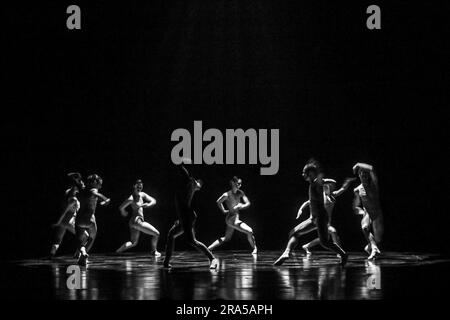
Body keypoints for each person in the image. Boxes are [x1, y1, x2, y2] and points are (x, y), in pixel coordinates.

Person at [274, 160, 348, 266]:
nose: (302, 174)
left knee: (325, 242)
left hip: (321, 218)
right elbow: (330, 181)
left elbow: (332, 181)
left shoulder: (316, 184)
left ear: (310, 174)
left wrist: (321, 178)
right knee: (293, 233)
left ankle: (343, 254)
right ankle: (287, 252)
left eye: (304, 172)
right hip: (313, 218)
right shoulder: (314, 184)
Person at [163, 159, 218, 269]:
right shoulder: (192, 182)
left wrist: (181, 159)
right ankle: (166, 262)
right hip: (185, 215)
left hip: (187, 216)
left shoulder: (186, 179)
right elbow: (198, 186)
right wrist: (199, 183)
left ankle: (213, 259)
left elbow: (180, 167)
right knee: (171, 235)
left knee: (191, 241)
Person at [300, 178, 355, 255]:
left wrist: (348, 182)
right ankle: (340, 252)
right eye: (324, 187)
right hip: (320, 221)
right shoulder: (320, 197)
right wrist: (301, 210)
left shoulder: (333, 195)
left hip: (327, 222)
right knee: (333, 232)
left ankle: (306, 246)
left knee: (325, 238)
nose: (326, 188)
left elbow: (343, 189)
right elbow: (307, 202)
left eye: (327, 187)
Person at [208, 176, 257, 254]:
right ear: (232, 183)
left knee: (227, 238)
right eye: (238, 183)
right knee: (250, 231)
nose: (239, 185)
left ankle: (209, 248)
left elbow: (248, 203)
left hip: (235, 218)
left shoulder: (240, 192)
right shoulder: (227, 194)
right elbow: (218, 202)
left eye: (240, 184)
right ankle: (255, 248)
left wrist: (241, 206)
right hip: (231, 219)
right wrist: (223, 210)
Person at [116, 179, 161, 256]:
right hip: (137, 221)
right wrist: (124, 212)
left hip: (134, 222)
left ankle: (117, 252)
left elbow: (154, 200)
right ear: (134, 186)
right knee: (156, 234)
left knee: (133, 242)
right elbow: (121, 207)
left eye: (140, 186)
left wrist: (148, 205)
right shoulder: (131, 198)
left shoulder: (142, 194)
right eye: (137, 186)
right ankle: (154, 251)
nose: (139, 188)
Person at [75, 174, 110, 266]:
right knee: (91, 237)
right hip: (89, 219)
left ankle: (82, 252)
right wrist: (105, 199)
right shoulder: (93, 189)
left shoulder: (83, 189)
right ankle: (84, 253)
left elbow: (77, 182)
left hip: (79, 218)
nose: (101, 186)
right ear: (95, 182)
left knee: (79, 240)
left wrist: (76, 178)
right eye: (100, 184)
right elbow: (95, 193)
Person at [353, 163, 384, 260]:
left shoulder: (373, 184)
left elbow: (372, 168)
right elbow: (356, 207)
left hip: (377, 213)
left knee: (378, 239)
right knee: (364, 227)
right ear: (359, 175)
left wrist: (358, 164)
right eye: (362, 173)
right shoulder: (357, 190)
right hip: (367, 213)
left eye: (366, 173)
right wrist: (362, 212)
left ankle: (369, 247)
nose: (364, 175)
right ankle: (374, 249)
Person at [49, 172, 85, 257]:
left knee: (57, 242)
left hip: (63, 222)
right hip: (69, 221)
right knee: (85, 236)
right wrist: (58, 222)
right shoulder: (73, 199)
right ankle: (78, 254)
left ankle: (51, 256)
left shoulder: (67, 192)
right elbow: (65, 211)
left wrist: (59, 222)